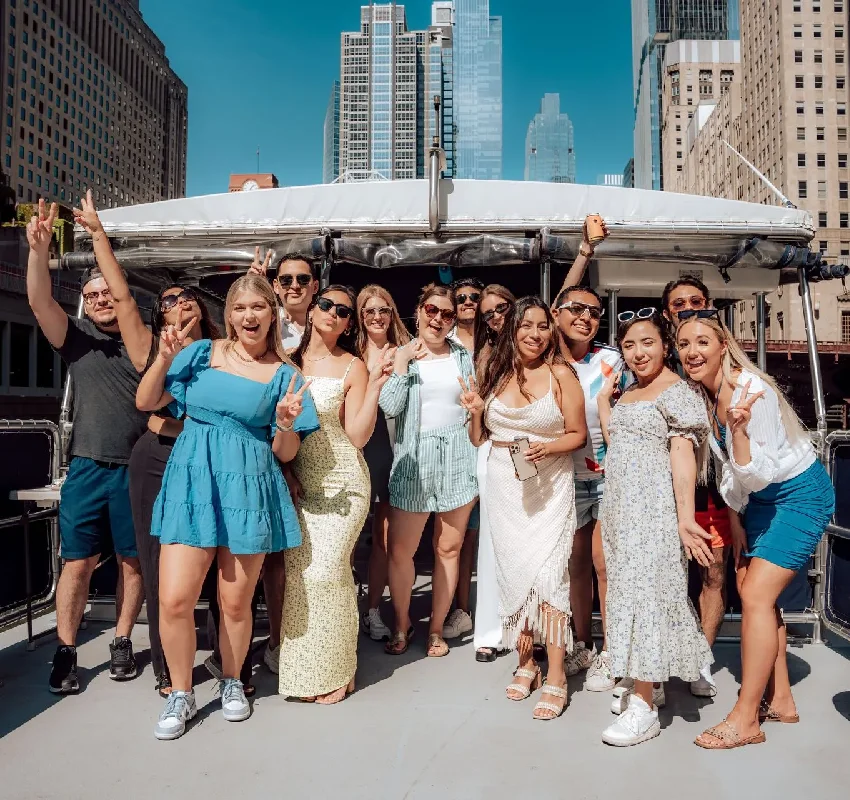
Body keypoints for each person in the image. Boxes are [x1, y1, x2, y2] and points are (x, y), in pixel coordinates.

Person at [136, 275, 319, 740]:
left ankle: (234, 682)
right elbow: (147, 400)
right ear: (228, 314)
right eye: (240, 308)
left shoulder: (287, 375)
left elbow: (285, 453)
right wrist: (162, 357)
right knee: (175, 598)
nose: (249, 316)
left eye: (259, 307)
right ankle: (181, 691)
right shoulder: (201, 353)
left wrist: (283, 424)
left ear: (272, 314)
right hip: (192, 479)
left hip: (248, 485)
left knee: (236, 603)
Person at [71, 192, 221, 699]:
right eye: (168, 302)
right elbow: (123, 296)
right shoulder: (149, 347)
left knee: (221, 558)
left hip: (209, 458)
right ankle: (164, 667)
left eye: (185, 298)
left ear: (200, 308)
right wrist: (96, 235)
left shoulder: (224, 350)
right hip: (157, 458)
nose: (177, 305)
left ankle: (225, 657)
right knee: (156, 561)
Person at [677, 314, 835, 750]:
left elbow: (757, 473)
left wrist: (739, 430)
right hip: (758, 501)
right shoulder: (703, 393)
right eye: (684, 343)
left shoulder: (751, 392)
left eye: (703, 341)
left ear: (723, 345)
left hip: (798, 495)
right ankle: (781, 699)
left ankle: (746, 719)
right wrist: (734, 518)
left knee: (756, 597)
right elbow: (734, 475)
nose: (693, 351)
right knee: (751, 587)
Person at [26, 199, 147, 695]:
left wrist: (101, 243)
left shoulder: (143, 340)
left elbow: (126, 302)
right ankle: (67, 650)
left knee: (133, 561)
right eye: (91, 293)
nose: (99, 299)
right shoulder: (76, 339)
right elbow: (38, 302)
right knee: (75, 562)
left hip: (134, 470)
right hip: (87, 468)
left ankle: (121, 641)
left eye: (107, 292)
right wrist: (37, 252)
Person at [460, 297, 587, 720]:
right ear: (512, 330)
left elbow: (578, 435)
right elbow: (480, 438)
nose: (535, 334)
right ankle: (524, 661)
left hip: (549, 484)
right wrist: (477, 413)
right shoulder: (494, 373)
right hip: (503, 484)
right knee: (513, 575)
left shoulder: (561, 374)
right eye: (525, 326)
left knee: (550, 578)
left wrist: (546, 447)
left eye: (542, 327)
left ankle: (555, 675)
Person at [597, 309, 714, 747]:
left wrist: (685, 519)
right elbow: (619, 443)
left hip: (655, 514)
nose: (638, 351)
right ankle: (653, 679)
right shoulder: (628, 393)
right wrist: (602, 404)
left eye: (647, 342)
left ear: (666, 345)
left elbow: (683, 459)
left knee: (648, 597)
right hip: (621, 513)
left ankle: (643, 706)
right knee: (630, 595)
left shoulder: (677, 392)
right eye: (628, 345)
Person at [279, 285, 394, 703]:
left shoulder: (354, 367)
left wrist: (377, 385)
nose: (333, 313)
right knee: (300, 575)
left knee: (329, 572)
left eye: (344, 311)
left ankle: (339, 670)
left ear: (349, 323)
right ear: (311, 311)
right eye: (326, 305)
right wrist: (286, 470)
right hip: (299, 480)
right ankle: (306, 672)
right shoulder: (286, 361)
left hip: (344, 481)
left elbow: (358, 436)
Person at [380, 284, 478, 658]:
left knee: (448, 549)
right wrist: (403, 364)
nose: (438, 319)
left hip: (457, 455)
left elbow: (471, 403)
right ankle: (402, 622)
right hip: (414, 458)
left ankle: (436, 628)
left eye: (447, 314)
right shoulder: (403, 354)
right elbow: (389, 406)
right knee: (401, 551)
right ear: (419, 311)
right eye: (432, 311)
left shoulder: (461, 355)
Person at [247, 249, 320, 673]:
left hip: (323, 460)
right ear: (276, 285)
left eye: (302, 279)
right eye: (286, 279)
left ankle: (307, 637)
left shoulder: (331, 323)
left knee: (314, 559)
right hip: (273, 455)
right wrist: (288, 468)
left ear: (314, 286)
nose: (294, 285)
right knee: (271, 559)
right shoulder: (261, 330)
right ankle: (274, 640)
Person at [553, 285, 626, 692]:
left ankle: (612, 650)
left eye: (595, 312)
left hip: (607, 475)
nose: (586, 317)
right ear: (557, 313)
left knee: (603, 565)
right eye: (577, 309)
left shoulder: (611, 360)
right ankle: (584, 643)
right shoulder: (546, 361)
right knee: (575, 566)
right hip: (564, 475)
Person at [661, 276, 729, 697]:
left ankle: (701, 662)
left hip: (713, 492)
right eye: (678, 303)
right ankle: (662, 665)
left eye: (695, 301)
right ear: (667, 311)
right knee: (665, 578)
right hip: (664, 491)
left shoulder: (720, 354)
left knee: (713, 576)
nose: (686, 307)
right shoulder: (654, 357)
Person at [355, 285, 411, 641]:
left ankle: (373, 610)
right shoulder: (349, 355)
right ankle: (346, 608)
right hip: (358, 451)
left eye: (384, 310)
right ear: (360, 317)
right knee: (346, 539)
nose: (377, 317)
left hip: (396, 450)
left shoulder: (405, 353)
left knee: (385, 540)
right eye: (369, 310)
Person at [468, 284, 516, 662]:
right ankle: (490, 630)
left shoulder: (539, 344)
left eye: (503, 308)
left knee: (532, 545)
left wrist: (584, 253)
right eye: (489, 314)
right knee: (493, 544)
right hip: (494, 452)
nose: (497, 316)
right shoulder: (485, 354)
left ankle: (525, 631)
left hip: (538, 453)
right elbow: (479, 417)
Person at [443, 277, 484, 641]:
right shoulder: (445, 340)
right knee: (460, 537)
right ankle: (460, 608)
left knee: (489, 533)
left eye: (475, 297)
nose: (469, 302)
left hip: (493, 442)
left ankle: (484, 611)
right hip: (455, 447)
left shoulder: (496, 339)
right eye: (462, 298)